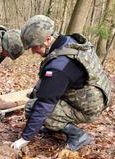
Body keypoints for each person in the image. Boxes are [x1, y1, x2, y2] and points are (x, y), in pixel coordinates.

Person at [11, 15, 112, 151]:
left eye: (35, 47)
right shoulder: (68, 41)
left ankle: (78, 136)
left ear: (48, 39)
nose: (33, 52)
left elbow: (44, 106)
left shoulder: (59, 66)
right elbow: (49, 85)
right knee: (36, 98)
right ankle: (54, 127)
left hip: (90, 107)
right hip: (95, 95)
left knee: (33, 108)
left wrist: (25, 138)